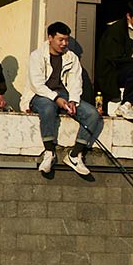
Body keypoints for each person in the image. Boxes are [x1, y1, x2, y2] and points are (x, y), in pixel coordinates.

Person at [27, 22, 101, 177]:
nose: (64, 43)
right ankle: (49, 152)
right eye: (60, 40)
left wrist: (73, 100)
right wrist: (56, 98)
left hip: (65, 96)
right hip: (40, 95)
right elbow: (37, 84)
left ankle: (75, 155)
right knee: (48, 108)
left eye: (66, 40)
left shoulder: (71, 57)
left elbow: (76, 82)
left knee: (92, 114)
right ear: (50, 38)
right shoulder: (37, 55)